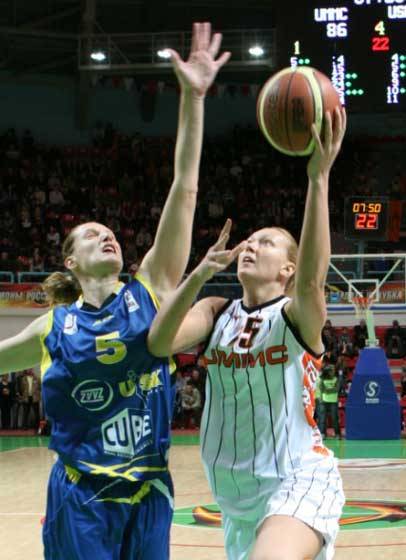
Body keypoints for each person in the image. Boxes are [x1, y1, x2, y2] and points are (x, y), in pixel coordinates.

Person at [0, 22, 230, 560]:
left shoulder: (149, 289)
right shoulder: (54, 327)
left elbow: (185, 187)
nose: (106, 234)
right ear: (69, 261)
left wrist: (193, 98)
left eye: (110, 231)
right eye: (89, 233)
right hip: (81, 495)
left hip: (149, 491)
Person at [148, 107, 347, 560]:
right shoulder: (216, 311)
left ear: (288, 268)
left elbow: (315, 279)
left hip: (299, 476)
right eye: (250, 240)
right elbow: (160, 342)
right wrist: (199, 274)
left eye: (268, 242)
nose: (252, 245)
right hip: (235, 499)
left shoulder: (296, 316)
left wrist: (318, 179)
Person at [317, 364, 341, 439]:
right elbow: (321, 389)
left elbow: (336, 389)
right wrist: (330, 390)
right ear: (328, 371)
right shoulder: (322, 379)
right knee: (322, 419)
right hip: (323, 401)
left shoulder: (336, 379)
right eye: (332, 370)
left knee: (335, 418)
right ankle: (323, 433)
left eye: (333, 370)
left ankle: (337, 434)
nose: (334, 371)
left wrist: (327, 390)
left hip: (334, 401)